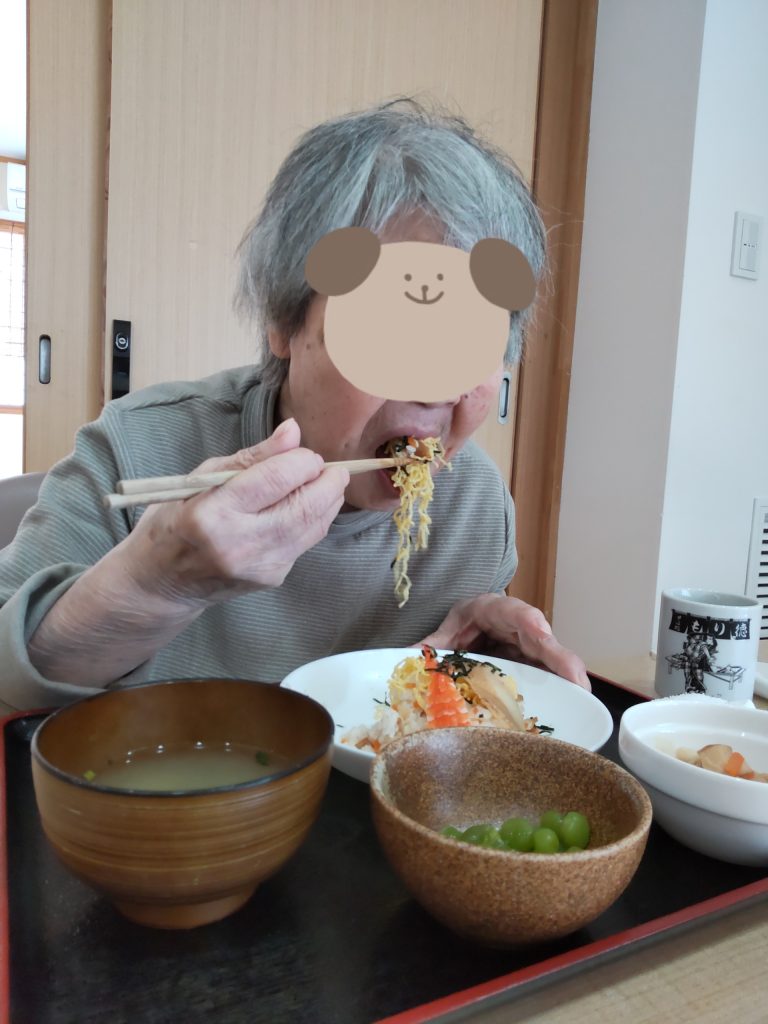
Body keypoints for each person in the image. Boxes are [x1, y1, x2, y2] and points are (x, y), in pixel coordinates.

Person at [0, 99, 589, 710]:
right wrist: (156, 584)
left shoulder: (477, 506)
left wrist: (486, 665)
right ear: (284, 322)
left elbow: (431, 732)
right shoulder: (139, 450)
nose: (438, 387)